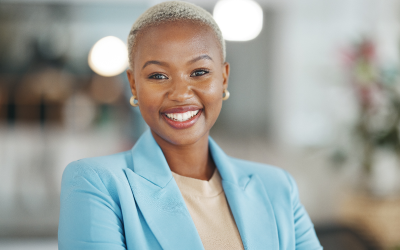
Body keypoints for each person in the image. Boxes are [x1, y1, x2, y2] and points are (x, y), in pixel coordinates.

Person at [58, 1, 323, 250]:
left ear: (224, 79)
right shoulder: (97, 183)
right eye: (158, 76)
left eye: (199, 72)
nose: (181, 93)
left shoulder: (276, 187)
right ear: (134, 85)